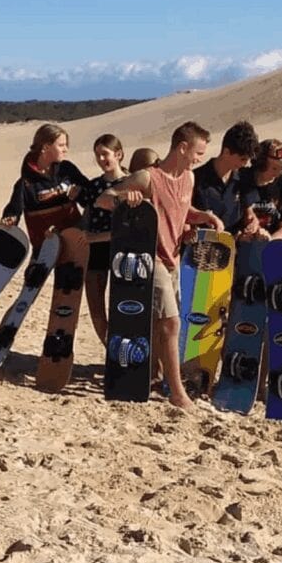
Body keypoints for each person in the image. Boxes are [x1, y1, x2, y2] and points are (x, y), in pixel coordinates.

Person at [97, 121, 222, 409]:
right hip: (148, 258)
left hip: (174, 258)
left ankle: (152, 376)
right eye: (198, 153)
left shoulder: (189, 179)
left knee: (158, 322)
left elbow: (182, 209)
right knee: (171, 322)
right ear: (182, 147)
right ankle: (177, 393)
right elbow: (104, 200)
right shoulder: (147, 177)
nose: (199, 159)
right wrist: (127, 202)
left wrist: (203, 216)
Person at [0, 124, 89, 254]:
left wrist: (79, 193)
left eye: (66, 145)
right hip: (44, 247)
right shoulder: (25, 184)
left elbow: (90, 196)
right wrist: (9, 219)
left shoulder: (67, 170)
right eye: (61, 145)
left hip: (73, 243)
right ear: (46, 147)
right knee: (34, 274)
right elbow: (13, 211)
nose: (66, 149)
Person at [79, 134, 130, 346]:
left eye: (105, 154)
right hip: (95, 252)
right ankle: (109, 349)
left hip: (122, 249)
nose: (101, 159)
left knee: (123, 306)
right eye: (97, 155)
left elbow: (132, 225)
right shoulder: (93, 186)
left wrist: (96, 236)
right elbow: (87, 217)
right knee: (96, 305)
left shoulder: (131, 183)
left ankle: (124, 351)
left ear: (118, 154)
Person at [192, 120, 261, 236]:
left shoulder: (244, 178)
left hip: (235, 245)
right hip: (202, 247)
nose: (245, 164)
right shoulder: (196, 178)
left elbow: (249, 213)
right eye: (242, 159)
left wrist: (253, 222)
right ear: (226, 152)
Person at [240, 139, 282, 241]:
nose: (278, 173)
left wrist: (270, 241)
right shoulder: (242, 178)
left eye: (281, 168)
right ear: (261, 163)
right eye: (274, 168)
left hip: (270, 239)